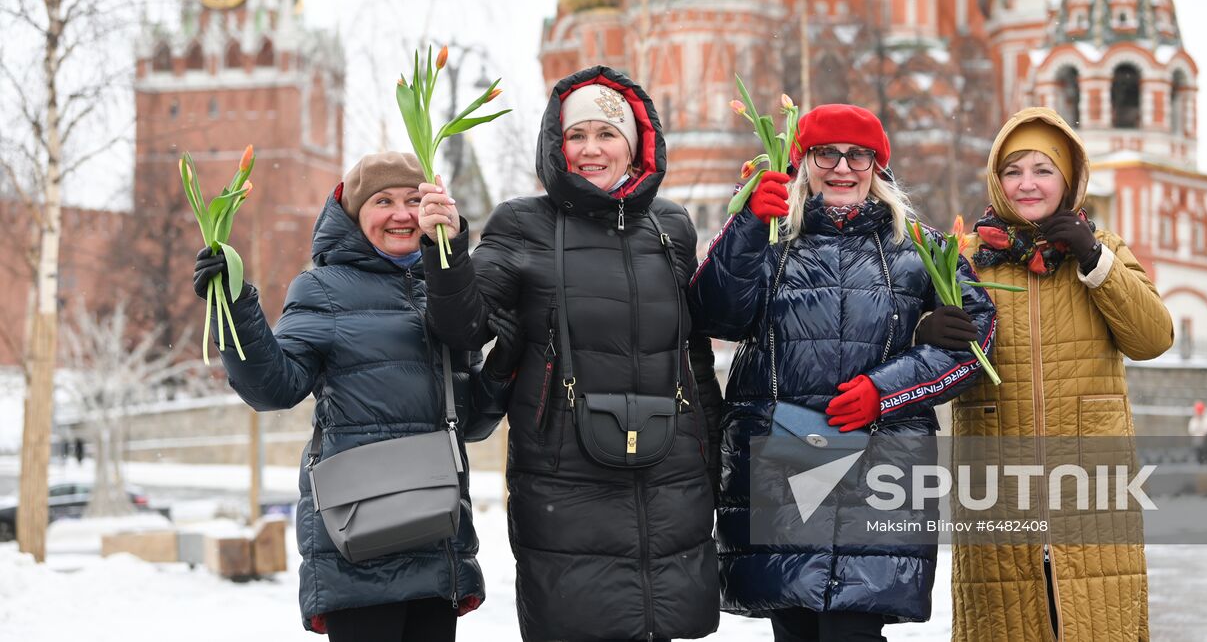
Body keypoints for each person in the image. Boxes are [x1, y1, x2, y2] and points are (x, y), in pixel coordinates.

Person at [418, 66, 723, 642]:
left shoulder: (672, 226)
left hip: (670, 473)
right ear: (555, 146)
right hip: (565, 479)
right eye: (575, 136)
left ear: (634, 147)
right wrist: (447, 250)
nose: (590, 150)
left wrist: (713, 455)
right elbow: (462, 326)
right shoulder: (521, 223)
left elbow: (694, 352)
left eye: (607, 135)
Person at [689, 103, 997, 642]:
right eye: (825, 153)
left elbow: (978, 341)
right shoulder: (770, 237)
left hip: (880, 460)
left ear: (878, 166)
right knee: (797, 626)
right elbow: (716, 316)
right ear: (803, 160)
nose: (842, 167)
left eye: (859, 155)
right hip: (783, 455)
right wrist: (744, 227)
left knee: (854, 627)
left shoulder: (921, 249)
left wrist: (887, 390)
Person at [191, 151, 494, 640]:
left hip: (435, 532)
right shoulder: (324, 289)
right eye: (383, 201)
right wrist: (234, 309)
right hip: (359, 536)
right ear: (355, 215)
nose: (401, 213)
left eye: (414, 200)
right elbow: (274, 388)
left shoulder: (448, 288)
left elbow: (474, 416)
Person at [923, 107, 1173, 642]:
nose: (1027, 184)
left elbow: (1152, 338)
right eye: (1013, 170)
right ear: (996, 178)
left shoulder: (1102, 248)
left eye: (1043, 169)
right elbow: (918, 361)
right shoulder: (965, 259)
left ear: (1069, 177)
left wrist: (1094, 259)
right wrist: (925, 328)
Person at [1188, 399, 1207, 463]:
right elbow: (1191, 430)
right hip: (1198, 443)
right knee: (1199, 459)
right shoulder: (1194, 420)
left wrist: (1205, 433)